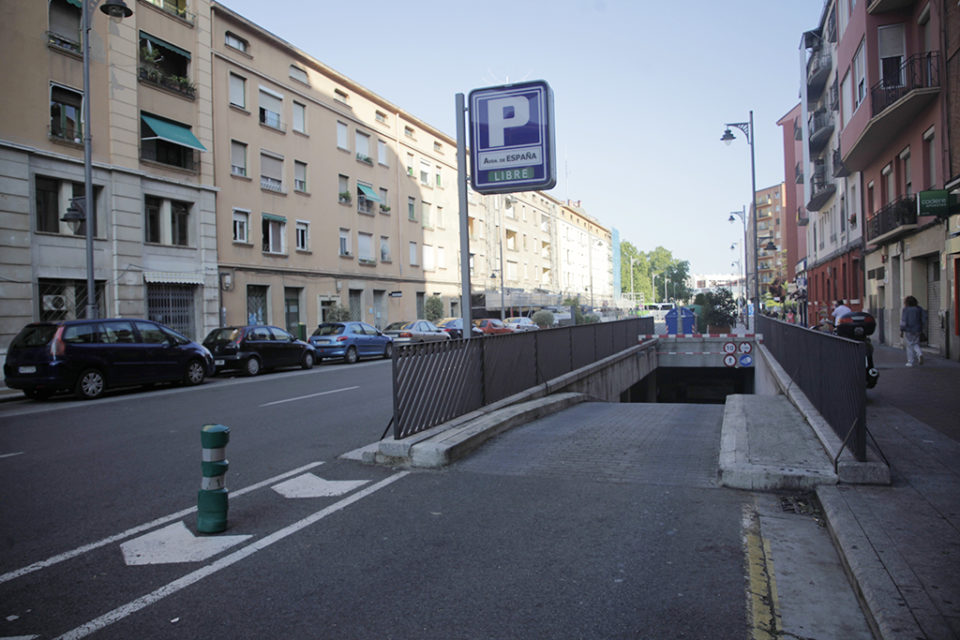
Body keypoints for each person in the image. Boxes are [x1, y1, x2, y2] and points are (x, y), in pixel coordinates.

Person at [899, 295, 927, 367]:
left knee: (909, 345)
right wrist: (922, 327)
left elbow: (903, 321)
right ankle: (919, 353)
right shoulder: (919, 309)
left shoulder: (906, 309)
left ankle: (910, 361)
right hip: (918, 329)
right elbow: (924, 319)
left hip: (908, 330)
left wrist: (902, 330)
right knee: (915, 343)